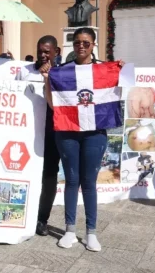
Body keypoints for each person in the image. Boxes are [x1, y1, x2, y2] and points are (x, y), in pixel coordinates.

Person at [42, 28, 123, 252]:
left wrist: (122, 71)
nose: (81, 46)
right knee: (71, 180)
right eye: (77, 42)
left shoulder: (104, 69)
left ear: (93, 45)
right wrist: (48, 80)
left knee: (89, 183)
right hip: (68, 132)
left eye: (86, 43)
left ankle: (91, 233)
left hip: (95, 134)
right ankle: (69, 230)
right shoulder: (62, 72)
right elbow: (53, 104)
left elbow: (125, 87)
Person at [16, 35, 60, 236]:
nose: (42, 55)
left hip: (51, 133)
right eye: (39, 51)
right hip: (27, 132)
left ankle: (42, 219)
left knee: (49, 176)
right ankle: (23, 213)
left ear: (56, 52)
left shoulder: (61, 73)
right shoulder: (24, 71)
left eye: (47, 52)